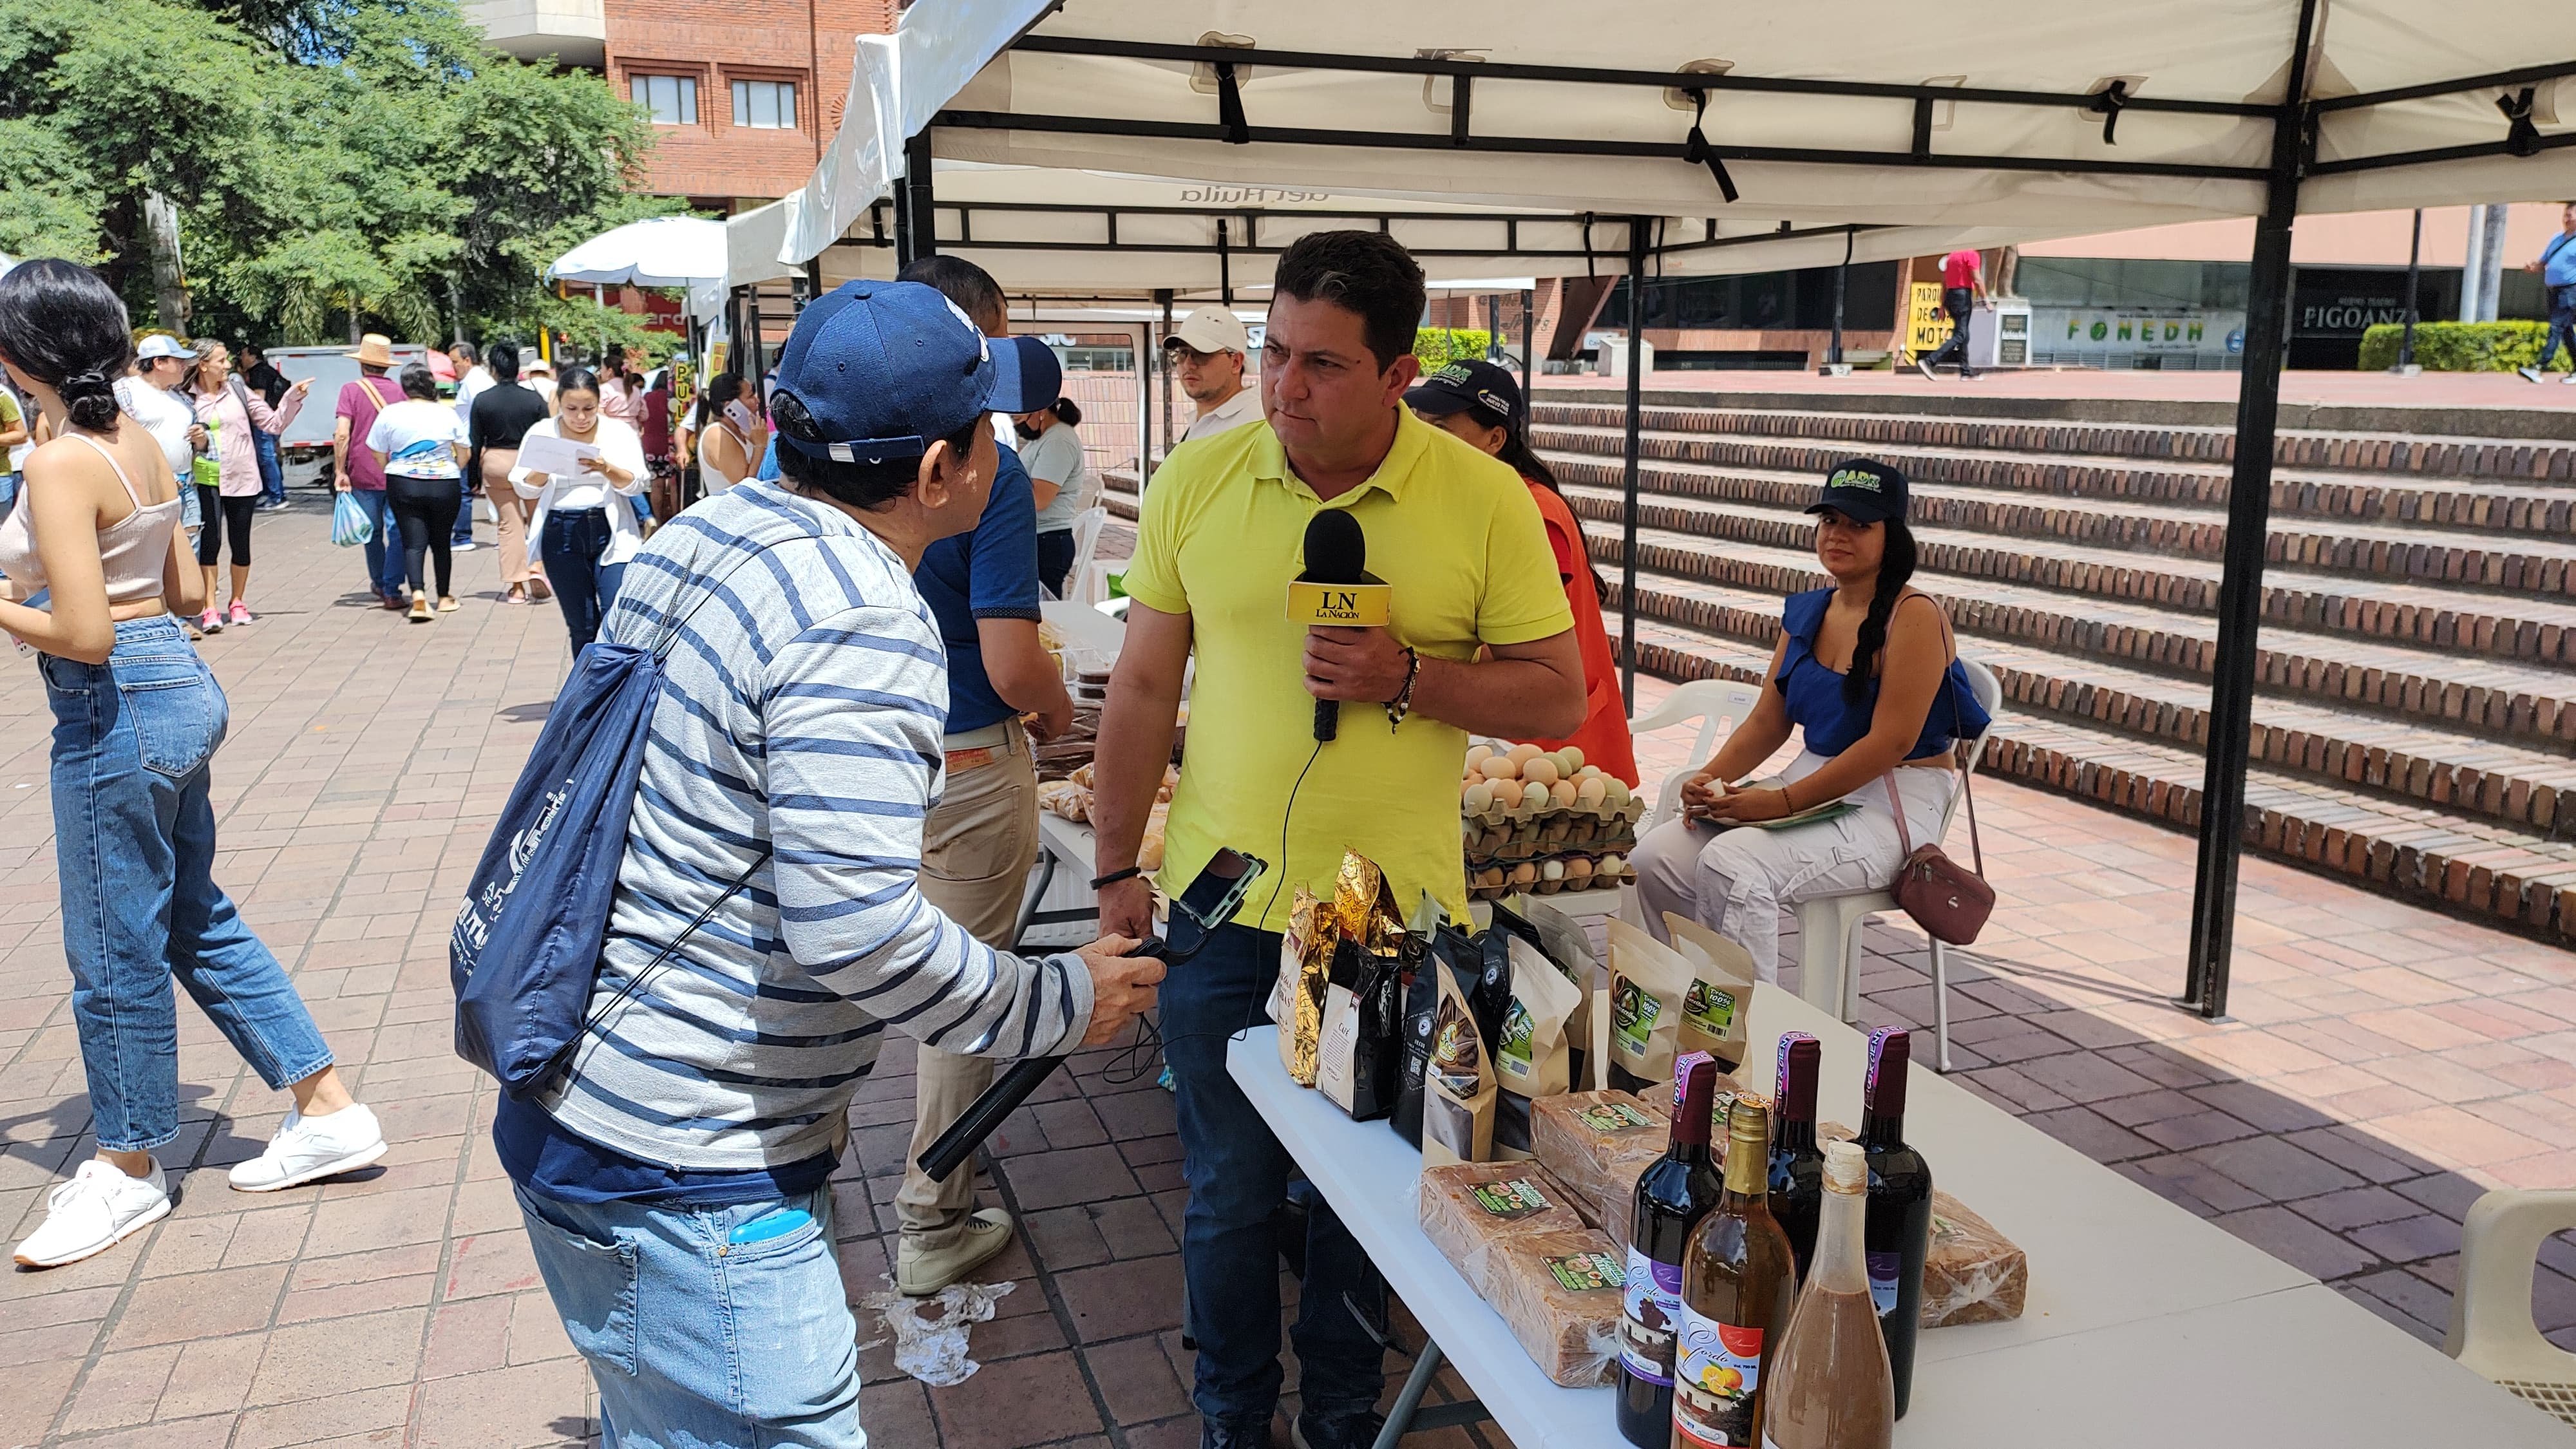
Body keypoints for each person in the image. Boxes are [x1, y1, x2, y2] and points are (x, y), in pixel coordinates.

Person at [504, 276, 1162, 1446]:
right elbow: (856, 930)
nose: (1000, 454)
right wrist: (1062, 999)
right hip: (687, 1159)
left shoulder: (703, 534)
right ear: (939, 472)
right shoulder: (857, 615)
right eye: (987, 434)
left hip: (583, 1091)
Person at [1093, 230, 1584, 1448]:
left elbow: (1556, 695)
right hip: (1222, 907)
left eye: (1321, 364)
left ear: (1398, 371)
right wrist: (1113, 865)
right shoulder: (1198, 478)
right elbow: (1143, 687)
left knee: (1363, 1195)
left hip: (1391, 920)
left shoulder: (1484, 499)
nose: (1283, 386)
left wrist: (1408, 675)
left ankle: (1345, 1414)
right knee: (1228, 1190)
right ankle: (1232, 1413)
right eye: (1273, 351)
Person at [0, 260, 386, 1270]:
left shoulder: (59, 460)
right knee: (190, 917)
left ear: (18, 356)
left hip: (113, 701)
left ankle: (128, 1166)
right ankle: (328, 1109)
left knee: (112, 944)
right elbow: (180, 589)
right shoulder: (139, 439)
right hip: (173, 683)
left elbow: (85, 632)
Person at [887, 253, 1081, 1299]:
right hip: (965, 753)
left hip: (856, 749)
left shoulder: (816, 451)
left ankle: (805, 1179)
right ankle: (932, 1218)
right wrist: (1056, 710)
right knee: (961, 989)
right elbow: (1011, 662)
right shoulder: (981, 466)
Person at [1629, 459, 1991, 985]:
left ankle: (1755, 1024)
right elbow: (1767, 722)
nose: (1837, 535)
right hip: (1813, 780)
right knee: (1655, 857)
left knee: (1734, 862)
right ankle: (1684, 998)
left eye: (1858, 524)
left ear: (1892, 537)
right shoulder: (1809, 610)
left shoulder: (1916, 615)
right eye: (1829, 521)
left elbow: (1892, 743)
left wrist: (1780, 803)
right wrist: (1708, 779)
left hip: (1895, 801)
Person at [1404, 359, 1638, 786]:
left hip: (1556, 766)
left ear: (1495, 439)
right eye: (1418, 423)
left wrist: (1402, 665)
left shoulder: (1531, 510)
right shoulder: (1478, 500)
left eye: (1440, 428)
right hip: (1511, 748)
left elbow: (1516, 642)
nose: (1422, 441)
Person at [512, 366, 645, 652]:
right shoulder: (542, 432)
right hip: (561, 530)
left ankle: (616, 679)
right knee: (582, 625)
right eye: (572, 409)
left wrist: (606, 468)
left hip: (610, 527)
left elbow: (637, 483)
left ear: (599, 403)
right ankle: (587, 681)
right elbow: (523, 487)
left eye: (589, 408)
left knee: (617, 619)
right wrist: (546, 466)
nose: (581, 417)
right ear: (559, 402)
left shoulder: (617, 432)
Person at [185, 340, 309, 631]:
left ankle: (237, 602)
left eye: (227, 359)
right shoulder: (185, 397)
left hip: (241, 477)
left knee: (241, 542)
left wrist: (292, 398)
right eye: (221, 361)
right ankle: (210, 607)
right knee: (210, 543)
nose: (228, 365)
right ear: (203, 365)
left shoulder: (238, 391)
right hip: (205, 479)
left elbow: (273, 423)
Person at [367, 360, 471, 621]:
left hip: (403, 482)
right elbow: (465, 451)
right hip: (444, 483)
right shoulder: (447, 413)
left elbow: (376, 449)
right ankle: (444, 597)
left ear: (404, 386)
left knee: (412, 542)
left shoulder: (390, 413)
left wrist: (391, 469)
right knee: (441, 542)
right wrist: (452, 469)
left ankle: (418, 597)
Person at [468, 343, 553, 606]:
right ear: (518, 369)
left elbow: (475, 441)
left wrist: (473, 477)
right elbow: (547, 435)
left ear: (493, 369)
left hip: (496, 463)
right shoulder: (534, 399)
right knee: (537, 519)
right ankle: (537, 567)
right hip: (530, 463)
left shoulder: (483, 400)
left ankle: (517, 587)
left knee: (509, 524)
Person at [332, 334, 409, 609]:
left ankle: (379, 581)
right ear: (386, 365)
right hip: (397, 470)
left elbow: (342, 433)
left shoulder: (350, 390)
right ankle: (392, 589)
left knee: (373, 532)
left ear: (362, 363)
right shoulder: (400, 393)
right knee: (397, 530)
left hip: (363, 471)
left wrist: (340, 470)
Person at [1018, 396, 1096, 596]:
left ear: (1040, 412)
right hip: (1040, 538)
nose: (1019, 424)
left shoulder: (1059, 441)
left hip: (1048, 542)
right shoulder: (1047, 438)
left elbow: (1039, 499)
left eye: (1021, 417)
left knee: (1044, 610)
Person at [1166, 305, 1262, 442]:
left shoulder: (1256, 422)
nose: (1188, 365)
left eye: (1201, 355)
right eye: (1182, 353)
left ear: (1235, 362)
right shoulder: (1201, 422)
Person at [2519, 202, 2576, 384]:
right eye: (2565, 215)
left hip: (2570, 291)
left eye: (2571, 216)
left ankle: (2539, 367)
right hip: (2553, 290)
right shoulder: (2557, 238)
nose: (2566, 219)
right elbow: (2543, 262)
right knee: (2566, 330)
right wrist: (2533, 267)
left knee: (2556, 327)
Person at [237, 343, 293, 511]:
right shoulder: (268, 370)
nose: (241, 358)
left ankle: (277, 497)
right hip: (273, 419)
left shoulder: (258, 372)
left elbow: (258, 398)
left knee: (267, 458)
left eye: (244, 354)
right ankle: (271, 494)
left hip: (263, 422)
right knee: (269, 458)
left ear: (253, 357)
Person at [1915, 249, 1987, 380]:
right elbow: (1977, 279)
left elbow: (1944, 282)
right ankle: (1929, 360)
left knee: (1964, 334)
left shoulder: (1952, 256)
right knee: (1960, 335)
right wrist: (1986, 299)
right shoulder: (1971, 255)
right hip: (1963, 296)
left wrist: (1942, 305)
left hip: (1951, 295)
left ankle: (1965, 371)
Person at [448, 341, 492, 551]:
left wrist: (481, 446)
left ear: (467, 360)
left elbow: (483, 415)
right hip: (470, 444)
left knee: (464, 492)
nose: (453, 367)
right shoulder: (472, 381)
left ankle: (462, 536)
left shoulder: (475, 383)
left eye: (455, 362)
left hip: (472, 445)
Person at [692, 370, 758, 497]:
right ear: (731, 406)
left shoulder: (741, 431)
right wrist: (759, 446)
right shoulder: (716, 435)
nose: (757, 400)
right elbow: (744, 488)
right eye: (750, 396)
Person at [639, 366, 677, 521]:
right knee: (674, 484)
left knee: (657, 485)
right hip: (671, 444)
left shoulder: (647, 397)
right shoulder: (673, 399)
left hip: (651, 446)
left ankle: (659, 521)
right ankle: (676, 519)